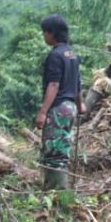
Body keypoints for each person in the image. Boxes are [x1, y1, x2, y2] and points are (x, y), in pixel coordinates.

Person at [34, 13, 84, 192]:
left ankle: (56, 193)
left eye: (44, 33)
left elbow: (54, 84)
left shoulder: (55, 56)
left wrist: (43, 112)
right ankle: (57, 191)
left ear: (50, 33)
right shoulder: (72, 54)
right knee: (62, 148)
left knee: (54, 151)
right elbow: (77, 83)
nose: (44, 36)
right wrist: (80, 105)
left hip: (59, 108)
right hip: (70, 107)